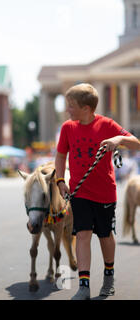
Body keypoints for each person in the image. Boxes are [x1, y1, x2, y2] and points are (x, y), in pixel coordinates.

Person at [55, 83, 140, 300]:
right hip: (79, 191)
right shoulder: (67, 128)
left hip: (105, 193)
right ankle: (84, 286)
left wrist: (118, 139)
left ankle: (109, 277)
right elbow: (61, 156)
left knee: (104, 235)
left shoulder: (107, 125)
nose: (67, 110)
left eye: (71, 106)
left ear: (86, 108)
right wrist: (60, 180)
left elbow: (136, 143)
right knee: (82, 234)